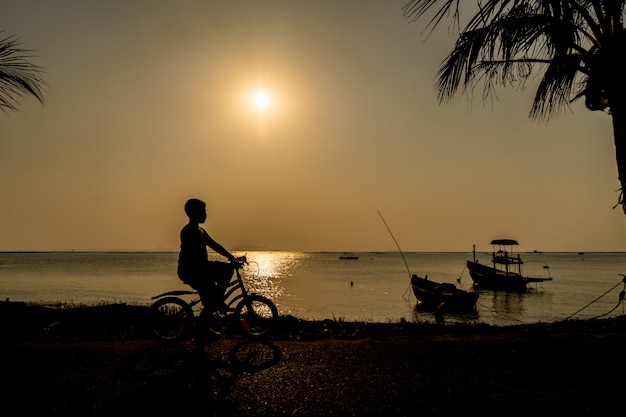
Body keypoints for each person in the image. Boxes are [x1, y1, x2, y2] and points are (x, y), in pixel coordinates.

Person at [177, 198, 238, 323]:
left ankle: (216, 303)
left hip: (200, 268)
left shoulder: (201, 231)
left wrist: (231, 257)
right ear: (194, 213)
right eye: (203, 211)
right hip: (191, 270)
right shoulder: (188, 231)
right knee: (213, 297)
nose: (205, 214)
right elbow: (193, 258)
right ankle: (205, 322)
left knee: (225, 272)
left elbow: (215, 245)